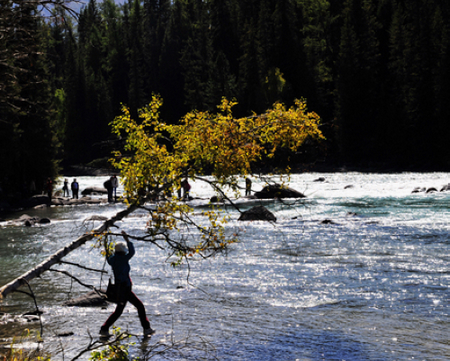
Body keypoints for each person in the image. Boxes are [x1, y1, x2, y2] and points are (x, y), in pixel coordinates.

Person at [100, 231, 155, 338]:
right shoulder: (124, 258)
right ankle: (146, 329)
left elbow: (108, 256)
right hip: (125, 289)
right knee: (139, 306)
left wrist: (105, 243)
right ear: (123, 251)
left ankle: (104, 329)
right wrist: (127, 239)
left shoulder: (112, 260)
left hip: (119, 289)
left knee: (119, 311)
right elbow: (132, 252)